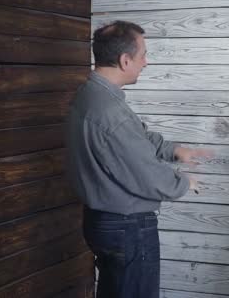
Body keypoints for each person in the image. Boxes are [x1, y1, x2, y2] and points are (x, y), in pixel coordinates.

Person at [65, 20, 211, 298]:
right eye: (143, 54)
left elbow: (132, 138)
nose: (147, 62)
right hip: (127, 227)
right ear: (124, 60)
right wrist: (182, 182)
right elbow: (145, 173)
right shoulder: (110, 111)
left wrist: (173, 150)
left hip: (102, 222)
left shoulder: (90, 95)